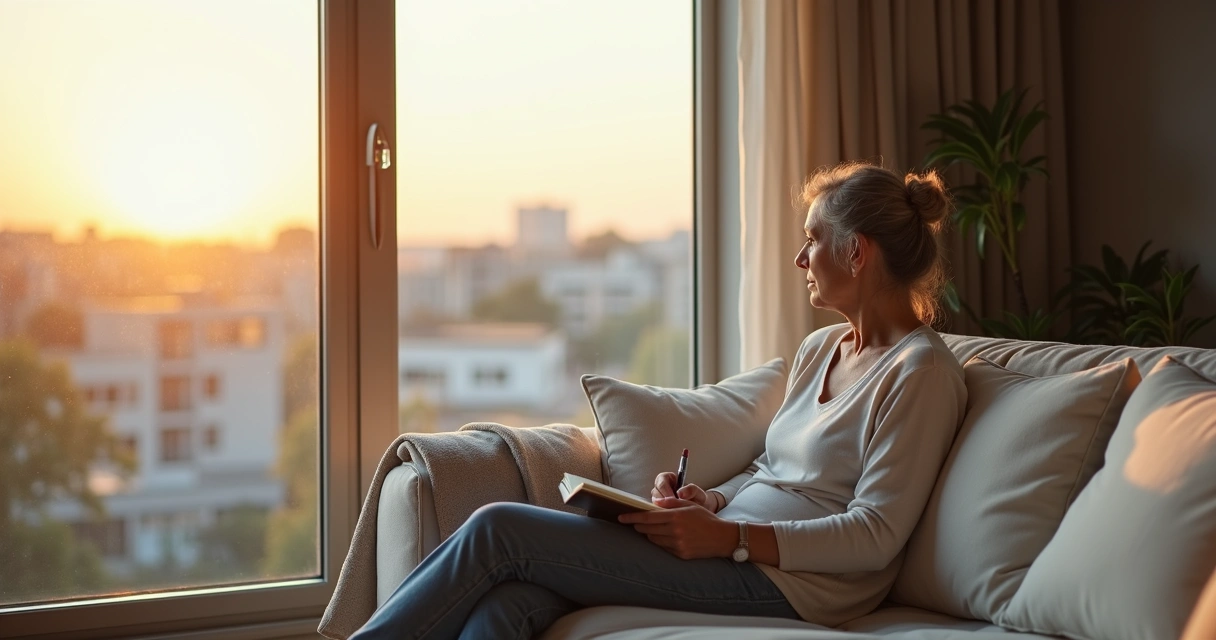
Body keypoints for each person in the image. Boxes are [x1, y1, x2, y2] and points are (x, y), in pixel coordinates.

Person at [350, 162, 968, 640]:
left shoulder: (922, 374)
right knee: (511, 605)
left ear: (856, 251)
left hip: (794, 583)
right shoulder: (822, 347)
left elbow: (875, 535)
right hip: (730, 543)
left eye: (812, 240)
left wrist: (731, 539)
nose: (800, 258)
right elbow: (773, 466)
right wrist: (711, 501)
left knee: (498, 530)